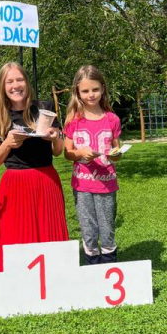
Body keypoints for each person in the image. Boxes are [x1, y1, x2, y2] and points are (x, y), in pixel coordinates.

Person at [0, 62, 69, 271]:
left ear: (27, 82)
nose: (15, 85)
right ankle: (17, 278)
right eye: (10, 81)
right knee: (16, 236)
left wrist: (55, 137)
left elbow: (58, 151)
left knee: (49, 233)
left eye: (20, 80)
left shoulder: (44, 108)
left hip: (46, 180)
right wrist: (7, 144)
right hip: (15, 184)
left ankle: (55, 276)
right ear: (2, 86)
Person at [63, 65, 122, 265]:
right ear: (78, 92)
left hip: (107, 183)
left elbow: (116, 150)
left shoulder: (112, 119)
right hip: (83, 185)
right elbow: (67, 153)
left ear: (103, 88)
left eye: (95, 89)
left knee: (107, 229)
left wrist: (116, 155)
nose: (91, 95)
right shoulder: (73, 121)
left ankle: (108, 267)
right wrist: (80, 153)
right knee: (88, 229)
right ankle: (92, 267)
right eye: (85, 91)